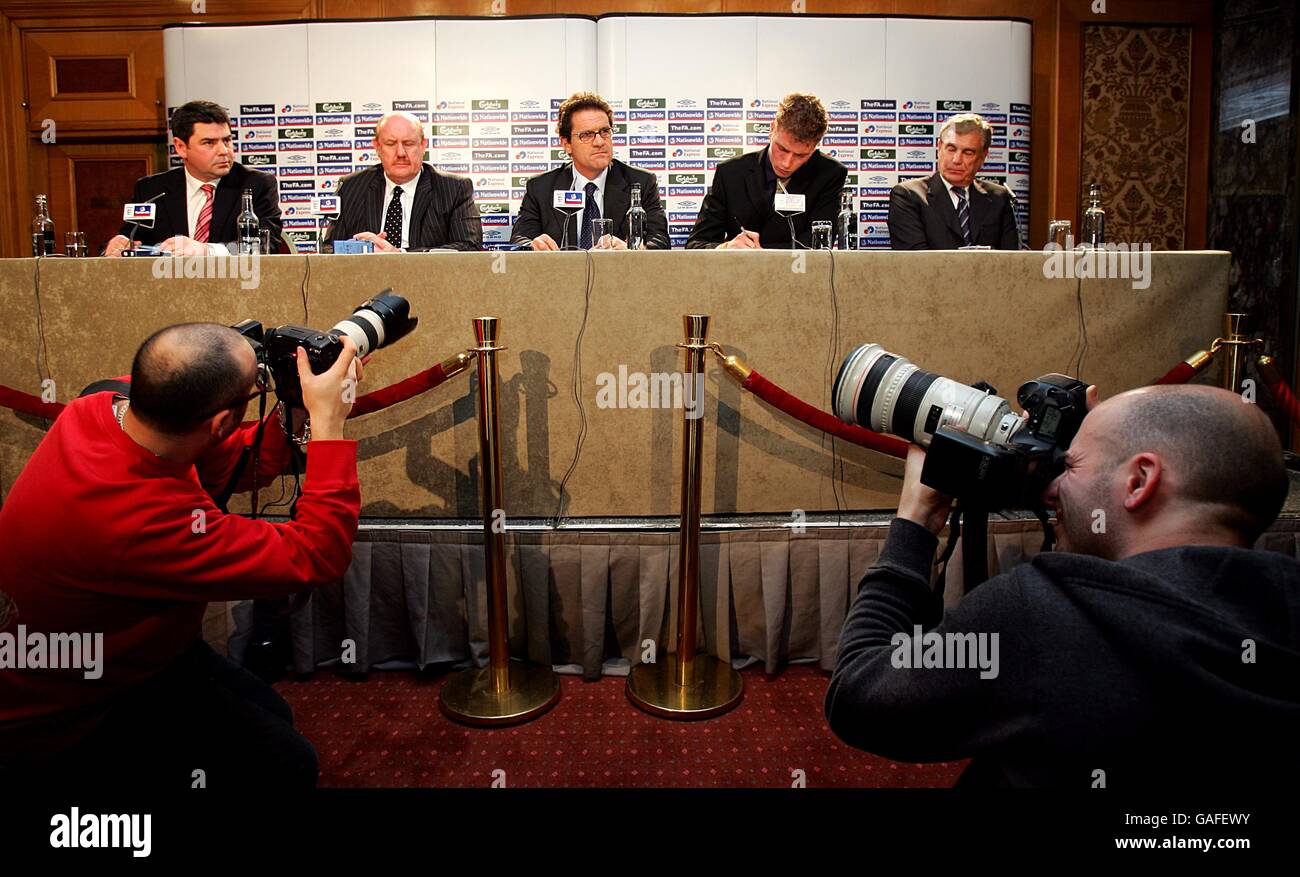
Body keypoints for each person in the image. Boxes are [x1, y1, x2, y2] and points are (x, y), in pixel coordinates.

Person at [825, 384, 1300, 788]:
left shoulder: (1044, 615)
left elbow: (858, 698)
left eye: (1070, 466)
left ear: (1138, 480)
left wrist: (917, 519)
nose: (1051, 490)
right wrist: (1105, 436)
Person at [0, 323, 364, 788]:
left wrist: (295, 402)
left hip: (121, 648)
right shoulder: (142, 522)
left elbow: (235, 463)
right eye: (257, 387)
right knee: (288, 764)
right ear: (220, 421)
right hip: (66, 716)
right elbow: (318, 555)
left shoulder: (98, 408)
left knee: (273, 711)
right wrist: (330, 425)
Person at [104, 101, 283, 257]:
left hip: (236, 289)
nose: (224, 151)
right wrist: (120, 243)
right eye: (209, 143)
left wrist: (207, 251)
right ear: (181, 147)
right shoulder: (151, 189)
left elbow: (267, 246)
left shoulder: (256, 185)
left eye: (227, 140)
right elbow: (132, 236)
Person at [686, 93, 846, 250]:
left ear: (816, 146)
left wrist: (762, 255)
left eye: (801, 155)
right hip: (738, 274)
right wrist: (726, 248)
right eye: (782, 149)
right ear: (772, 128)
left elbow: (819, 245)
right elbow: (696, 244)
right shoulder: (730, 173)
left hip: (799, 273)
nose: (787, 163)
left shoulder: (830, 174)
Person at [511, 92, 668, 251]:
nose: (599, 142)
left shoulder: (641, 182)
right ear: (567, 144)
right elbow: (519, 240)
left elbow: (660, 242)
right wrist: (533, 245)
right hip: (562, 275)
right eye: (587, 135)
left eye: (605, 132)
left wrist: (632, 251)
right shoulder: (541, 187)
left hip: (619, 274)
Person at [327, 111, 482, 252]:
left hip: (428, 280)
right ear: (377, 147)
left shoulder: (454, 189)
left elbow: (469, 246)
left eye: (408, 143)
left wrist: (399, 255)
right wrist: (357, 249)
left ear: (423, 146)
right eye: (390, 144)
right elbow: (329, 248)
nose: (400, 153)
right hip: (366, 279)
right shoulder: (351, 187)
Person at [887, 112, 1021, 250]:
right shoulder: (909, 195)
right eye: (951, 149)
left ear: (983, 156)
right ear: (939, 148)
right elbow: (915, 261)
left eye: (968, 153)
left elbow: (1009, 260)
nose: (956, 160)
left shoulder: (999, 198)